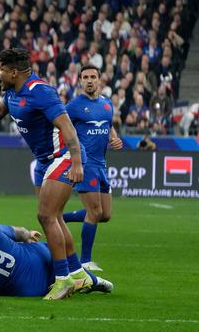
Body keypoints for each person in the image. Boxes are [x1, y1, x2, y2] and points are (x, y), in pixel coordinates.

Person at [0, 48, 92, 300]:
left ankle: (62, 280)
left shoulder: (41, 91)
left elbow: (67, 126)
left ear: (14, 72)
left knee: (46, 215)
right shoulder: (13, 93)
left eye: (0, 70)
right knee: (54, 216)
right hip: (46, 160)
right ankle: (77, 273)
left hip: (64, 156)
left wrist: (77, 162)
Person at [60, 65, 123, 271]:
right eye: (85, 77)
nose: (89, 80)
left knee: (105, 214)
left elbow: (108, 125)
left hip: (102, 165)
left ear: (99, 80)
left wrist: (114, 139)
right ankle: (85, 261)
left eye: (92, 77)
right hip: (85, 164)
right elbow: (61, 126)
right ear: (79, 81)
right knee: (94, 212)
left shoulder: (107, 104)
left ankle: (62, 217)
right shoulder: (74, 106)